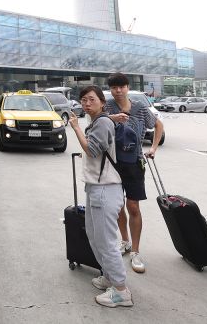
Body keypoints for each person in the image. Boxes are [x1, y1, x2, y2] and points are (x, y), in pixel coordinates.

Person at [70, 86, 133, 307]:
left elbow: (93, 150)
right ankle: (109, 276)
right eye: (83, 100)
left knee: (105, 241)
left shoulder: (102, 122)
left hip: (105, 189)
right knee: (94, 235)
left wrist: (76, 128)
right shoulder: (100, 120)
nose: (86, 103)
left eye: (91, 99)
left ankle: (121, 290)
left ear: (101, 102)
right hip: (96, 187)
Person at [105, 72, 163, 274]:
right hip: (112, 162)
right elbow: (95, 125)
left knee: (133, 206)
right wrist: (111, 118)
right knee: (118, 204)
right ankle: (125, 241)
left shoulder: (139, 108)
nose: (118, 90)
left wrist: (153, 148)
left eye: (121, 86)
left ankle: (136, 252)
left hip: (135, 162)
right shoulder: (107, 107)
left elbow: (157, 124)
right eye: (114, 87)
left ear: (127, 87)